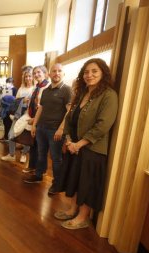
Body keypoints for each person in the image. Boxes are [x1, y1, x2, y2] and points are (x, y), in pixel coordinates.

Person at [53, 58, 118, 230]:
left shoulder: (109, 95)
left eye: (94, 71)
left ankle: (83, 217)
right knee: (74, 180)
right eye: (86, 72)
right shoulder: (82, 94)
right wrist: (68, 140)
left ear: (103, 73)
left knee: (86, 183)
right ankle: (73, 209)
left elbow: (103, 125)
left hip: (92, 149)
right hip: (74, 146)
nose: (90, 75)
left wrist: (79, 144)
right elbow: (70, 117)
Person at [24, 64, 72, 196]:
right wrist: (34, 125)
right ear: (49, 74)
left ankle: (57, 183)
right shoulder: (45, 91)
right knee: (41, 153)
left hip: (55, 130)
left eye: (59, 71)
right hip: (41, 128)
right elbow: (41, 108)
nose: (56, 73)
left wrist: (61, 128)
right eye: (54, 71)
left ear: (63, 74)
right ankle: (39, 175)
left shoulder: (67, 90)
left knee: (56, 158)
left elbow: (69, 111)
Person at [1, 68, 35, 163]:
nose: (28, 78)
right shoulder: (21, 88)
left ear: (32, 77)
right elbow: (15, 101)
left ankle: (24, 154)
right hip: (18, 113)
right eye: (26, 76)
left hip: (29, 114)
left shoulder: (35, 88)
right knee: (11, 134)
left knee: (27, 136)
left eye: (29, 76)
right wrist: (22, 100)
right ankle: (11, 154)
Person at [23, 65, 50, 174]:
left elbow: (45, 107)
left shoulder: (47, 87)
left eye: (39, 72)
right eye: (34, 73)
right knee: (33, 145)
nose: (36, 75)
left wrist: (35, 119)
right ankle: (32, 166)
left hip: (41, 120)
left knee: (41, 147)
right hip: (34, 119)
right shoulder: (37, 86)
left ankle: (40, 170)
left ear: (45, 73)